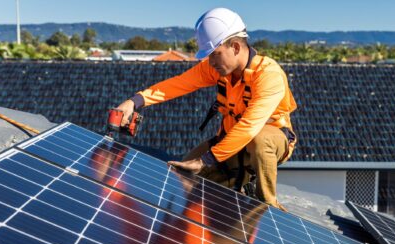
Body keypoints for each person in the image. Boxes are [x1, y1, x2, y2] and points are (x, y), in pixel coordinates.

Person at [116, 7, 297, 210]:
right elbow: (178, 84)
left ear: (235, 47)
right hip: (230, 142)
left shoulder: (267, 75)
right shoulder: (218, 68)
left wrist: (206, 160)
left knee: (259, 139)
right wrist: (135, 101)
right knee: (181, 174)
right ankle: (235, 186)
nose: (210, 62)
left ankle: (267, 206)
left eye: (214, 54)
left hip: (266, 143)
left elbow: (249, 127)